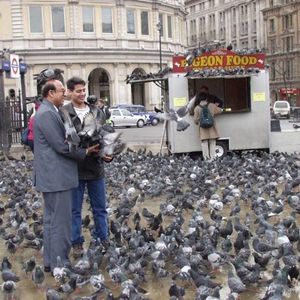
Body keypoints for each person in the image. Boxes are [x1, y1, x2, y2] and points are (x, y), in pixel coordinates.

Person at [34, 79, 99, 272]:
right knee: (60, 223)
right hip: (56, 178)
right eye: (62, 91)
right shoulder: (46, 114)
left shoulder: (49, 111)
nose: (65, 95)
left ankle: (50, 263)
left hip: (53, 177)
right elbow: (61, 146)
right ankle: (60, 263)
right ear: (51, 93)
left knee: (51, 221)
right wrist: (85, 152)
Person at [63, 76, 112, 257]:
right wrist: (85, 150)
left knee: (100, 208)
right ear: (69, 92)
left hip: (95, 167)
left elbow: (104, 136)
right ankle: (76, 243)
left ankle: (103, 238)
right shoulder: (64, 112)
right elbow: (66, 142)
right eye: (78, 91)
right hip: (74, 168)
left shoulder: (96, 112)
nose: (82, 93)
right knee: (75, 209)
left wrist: (108, 153)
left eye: (84, 90)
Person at [194, 92, 222, 161]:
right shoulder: (212, 105)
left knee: (204, 143)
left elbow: (195, 120)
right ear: (206, 98)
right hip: (212, 128)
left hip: (203, 129)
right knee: (212, 142)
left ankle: (206, 159)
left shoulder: (197, 108)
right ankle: (213, 158)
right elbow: (220, 111)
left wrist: (199, 122)